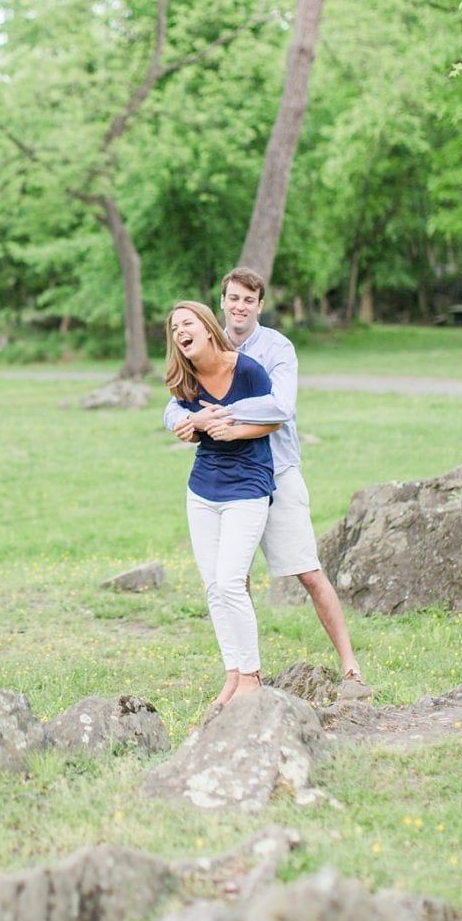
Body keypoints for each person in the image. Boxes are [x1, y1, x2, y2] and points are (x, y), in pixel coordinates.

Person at [164, 268, 363, 684]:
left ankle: (350, 664)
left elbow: (280, 406)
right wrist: (187, 419)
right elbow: (174, 403)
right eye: (233, 298)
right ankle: (242, 674)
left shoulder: (276, 349)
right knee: (231, 581)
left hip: (278, 469)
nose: (239, 307)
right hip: (228, 478)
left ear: (259, 306)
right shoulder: (200, 340)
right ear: (221, 302)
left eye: (248, 301)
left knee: (307, 570)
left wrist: (221, 415)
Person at [164, 300, 280, 707]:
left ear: (208, 327)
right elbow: (178, 418)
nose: (181, 331)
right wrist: (190, 425)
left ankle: (251, 676)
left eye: (187, 323)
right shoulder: (184, 379)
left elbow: (276, 417)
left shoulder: (246, 370)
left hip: (248, 486)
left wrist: (234, 430)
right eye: (175, 327)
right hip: (203, 491)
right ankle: (233, 673)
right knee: (214, 586)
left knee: (231, 580)